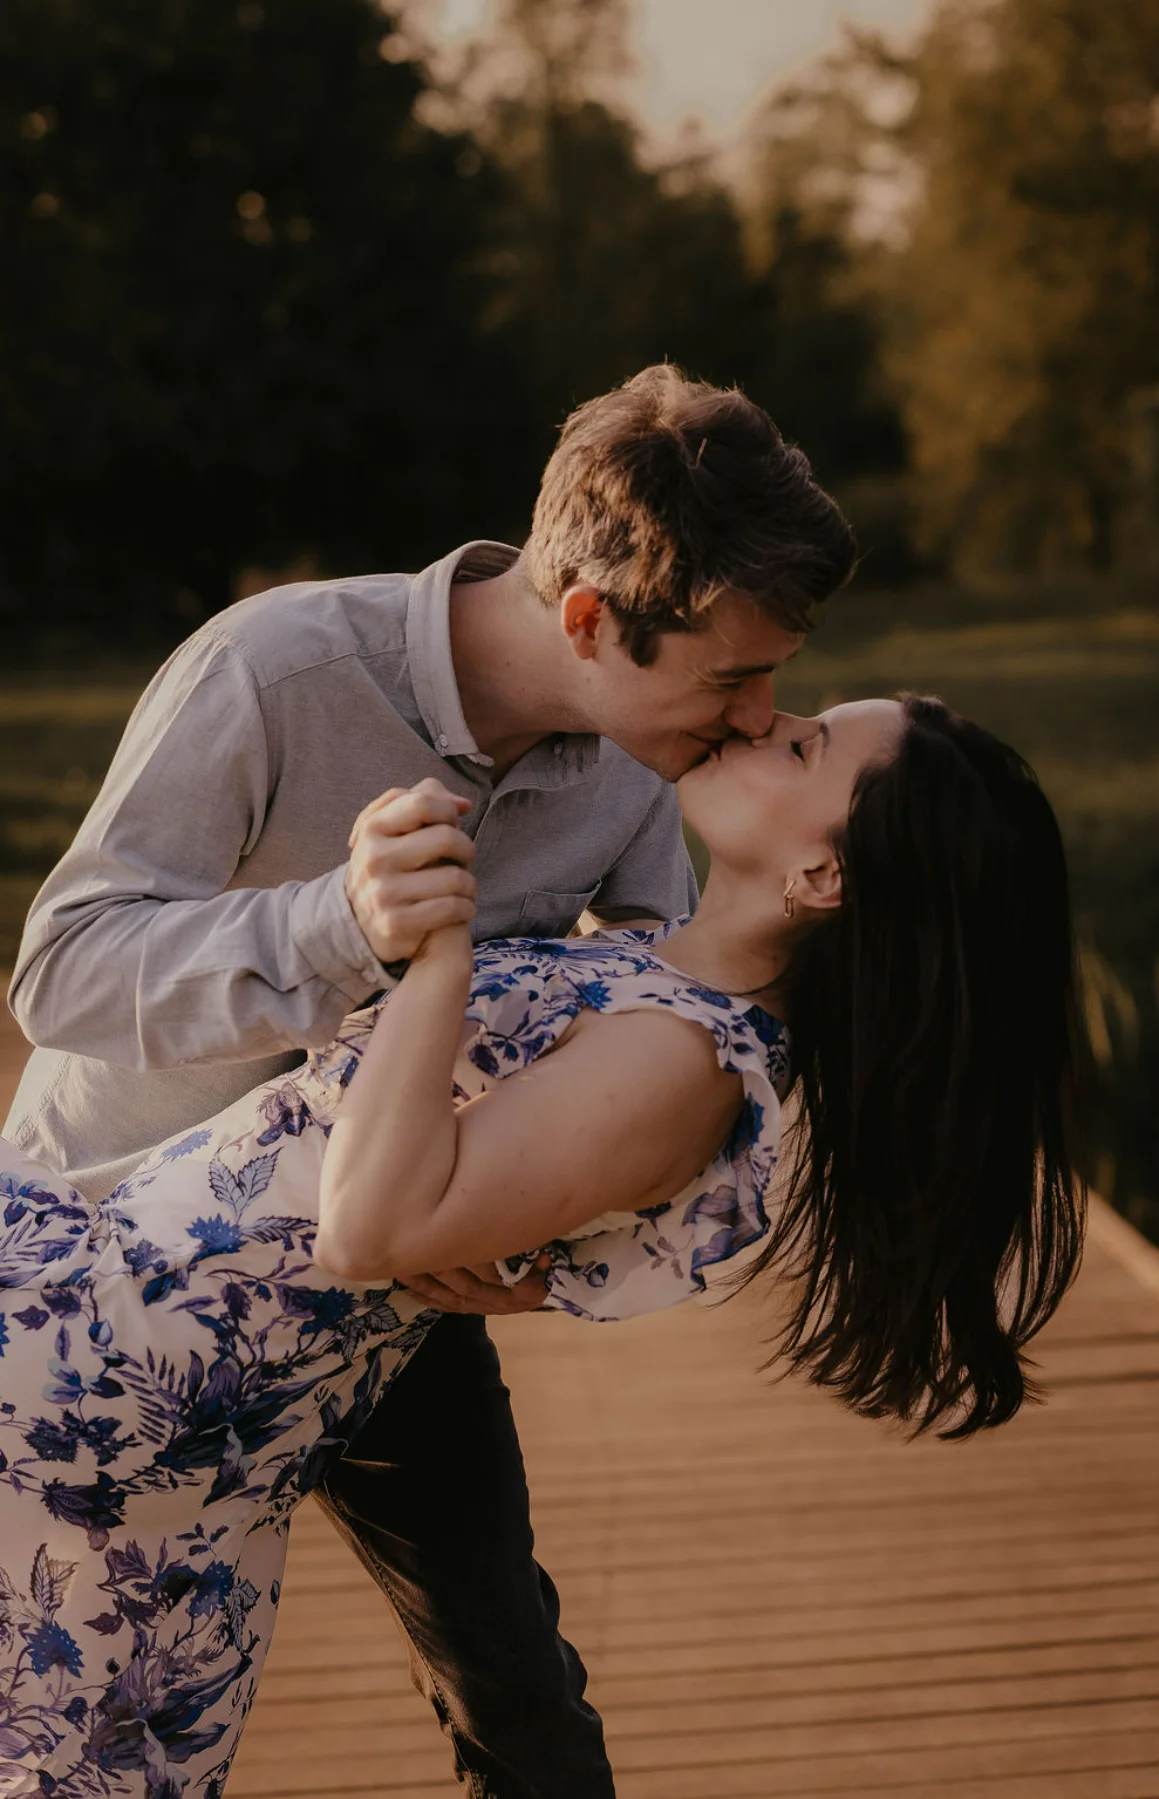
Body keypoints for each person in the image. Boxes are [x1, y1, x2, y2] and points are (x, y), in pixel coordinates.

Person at [3, 366, 856, 1797]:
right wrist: (331, 924)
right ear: (590, 619)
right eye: (734, 677)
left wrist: (536, 1235)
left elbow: (627, 992)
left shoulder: (648, 753)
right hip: (104, 1293)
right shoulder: (273, 672)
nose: (759, 713)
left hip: (385, 1299)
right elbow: (59, 975)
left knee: (518, 1687)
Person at [0, 693, 1085, 1798]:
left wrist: (438, 945)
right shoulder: (664, 970)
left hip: (109, 1381)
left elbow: (369, 1226)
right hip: (99, 1314)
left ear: (823, 878)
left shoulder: (688, 1062)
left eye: (804, 746)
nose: (766, 719)